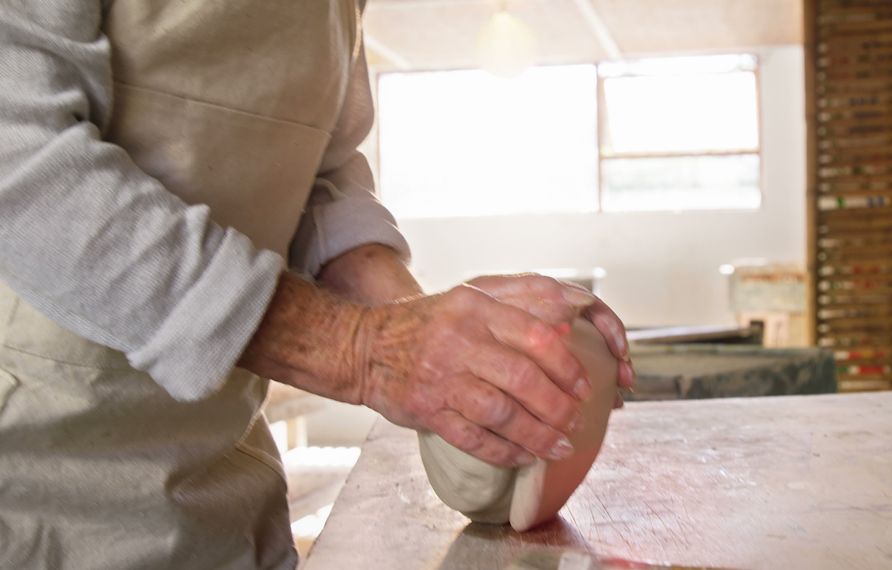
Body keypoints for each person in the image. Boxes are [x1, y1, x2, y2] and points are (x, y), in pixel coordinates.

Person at [0, 1, 635, 568]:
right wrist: (361, 352)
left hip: (224, 488)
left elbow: (318, 178)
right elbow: (21, 164)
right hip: (44, 480)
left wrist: (439, 330)